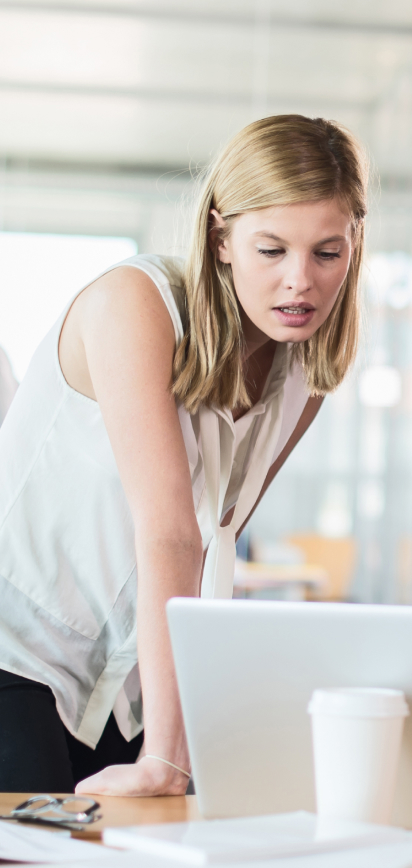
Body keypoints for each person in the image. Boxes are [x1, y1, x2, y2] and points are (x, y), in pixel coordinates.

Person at [0, 114, 366, 796]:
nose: (300, 283)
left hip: (125, 683)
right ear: (220, 238)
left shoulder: (305, 377)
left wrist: (187, 739)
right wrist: (169, 759)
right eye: (271, 250)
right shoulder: (133, 304)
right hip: (17, 654)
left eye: (326, 252)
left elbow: (215, 542)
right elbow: (169, 529)